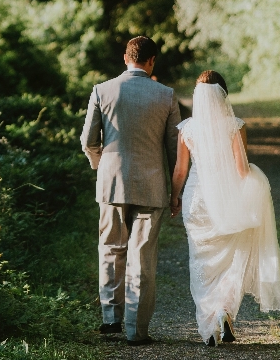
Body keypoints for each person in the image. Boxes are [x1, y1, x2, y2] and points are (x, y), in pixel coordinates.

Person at [171, 71, 280, 346]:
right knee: (231, 260)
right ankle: (224, 312)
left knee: (201, 262)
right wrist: (257, 182)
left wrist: (174, 198)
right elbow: (241, 170)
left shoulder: (187, 129)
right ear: (223, 95)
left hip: (197, 201)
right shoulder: (235, 126)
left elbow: (180, 170)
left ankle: (210, 322)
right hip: (226, 200)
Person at [80, 36, 180, 346]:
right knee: (142, 257)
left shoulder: (102, 91)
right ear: (152, 61)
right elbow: (175, 150)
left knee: (111, 249)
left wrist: (102, 166)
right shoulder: (166, 95)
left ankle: (111, 320)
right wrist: (176, 192)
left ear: (126, 57)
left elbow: (87, 141)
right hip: (152, 186)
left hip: (111, 183)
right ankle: (137, 330)